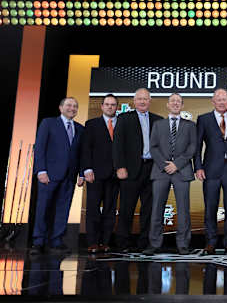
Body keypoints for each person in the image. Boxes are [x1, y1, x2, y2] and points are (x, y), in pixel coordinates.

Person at [143, 93, 196, 255]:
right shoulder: (158, 125)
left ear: (182, 105)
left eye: (178, 101)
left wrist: (177, 164)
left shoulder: (190, 125)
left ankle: (183, 244)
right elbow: (153, 147)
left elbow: (192, 148)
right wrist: (165, 165)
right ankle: (154, 243)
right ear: (167, 105)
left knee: (183, 210)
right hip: (161, 171)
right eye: (172, 101)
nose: (175, 104)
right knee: (157, 207)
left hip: (182, 171)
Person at [30, 97, 84, 255]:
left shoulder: (80, 129)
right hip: (49, 175)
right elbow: (39, 148)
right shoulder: (48, 123)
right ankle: (38, 241)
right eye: (69, 105)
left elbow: (81, 154)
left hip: (69, 176)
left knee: (63, 209)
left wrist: (81, 173)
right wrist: (41, 170)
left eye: (75, 106)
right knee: (43, 208)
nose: (72, 108)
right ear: (61, 108)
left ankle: (57, 240)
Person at [194, 89, 227, 255]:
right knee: (210, 207)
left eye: (224, 99)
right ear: (213, 101)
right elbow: (197, 145)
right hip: (210, 170)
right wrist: (198, 167)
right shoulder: (204, 119)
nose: (222, 102)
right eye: (219, 100)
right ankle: (211, 242)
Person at [112, 88, 162, 252]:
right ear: (134, 101)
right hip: (130, 169)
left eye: (145, 99)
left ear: (150, 101)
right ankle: (123, 243)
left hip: (152, 169)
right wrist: (120, 166)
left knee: (149, 209)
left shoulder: (158, 120)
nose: (142, 101)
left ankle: (145, 243)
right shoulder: (124, 118)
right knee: (127, 208)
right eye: (139, 99)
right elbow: (117, 145)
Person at [81, 94, 119, 254]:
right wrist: (86, 169)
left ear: (117, 107)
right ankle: (92, 243)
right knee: (93, 209)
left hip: (115, 175)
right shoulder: (91, 124)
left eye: (113, 104)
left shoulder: (123, 124)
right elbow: (85, 148)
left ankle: (105, 242)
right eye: (107, 104)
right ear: (102, 106)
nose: (110, 107)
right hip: (95, 175)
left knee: (110, 210)